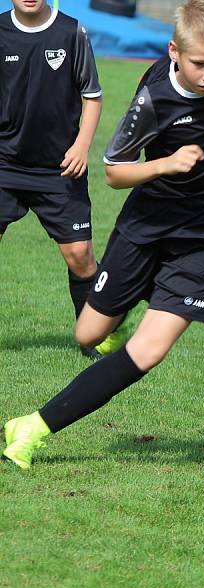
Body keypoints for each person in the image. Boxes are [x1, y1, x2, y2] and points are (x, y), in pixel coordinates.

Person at [2, 0, 204, 470]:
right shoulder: (155, 96)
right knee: (89, 331)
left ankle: (33, 428)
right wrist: (166, 162)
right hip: (145, 227)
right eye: (199, 64)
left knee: (149, 350)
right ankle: (130, 299)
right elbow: (114, 172)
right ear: (173, 52)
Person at [0, 0, 122, 358]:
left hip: (59, 168)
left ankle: (93, 337)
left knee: (80, 254)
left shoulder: (72, 32)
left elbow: (93, 96)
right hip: (5, 165)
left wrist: (82, 145)